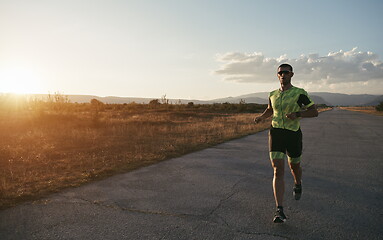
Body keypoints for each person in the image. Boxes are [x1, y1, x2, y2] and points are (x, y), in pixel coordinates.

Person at [254, 63, 318, 223]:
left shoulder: (299, 93)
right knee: (277, 170)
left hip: (293, 134)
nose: (283, 75)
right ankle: (279, 210)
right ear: (277, 75)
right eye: (280, 72)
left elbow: (314, 111)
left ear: (291, 74)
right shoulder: (272, 94)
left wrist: (297, 113)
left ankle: (297, 183)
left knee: (294, 166)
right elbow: (270, 109)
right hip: (276, 133)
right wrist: (262, 117)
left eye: (286, 72)